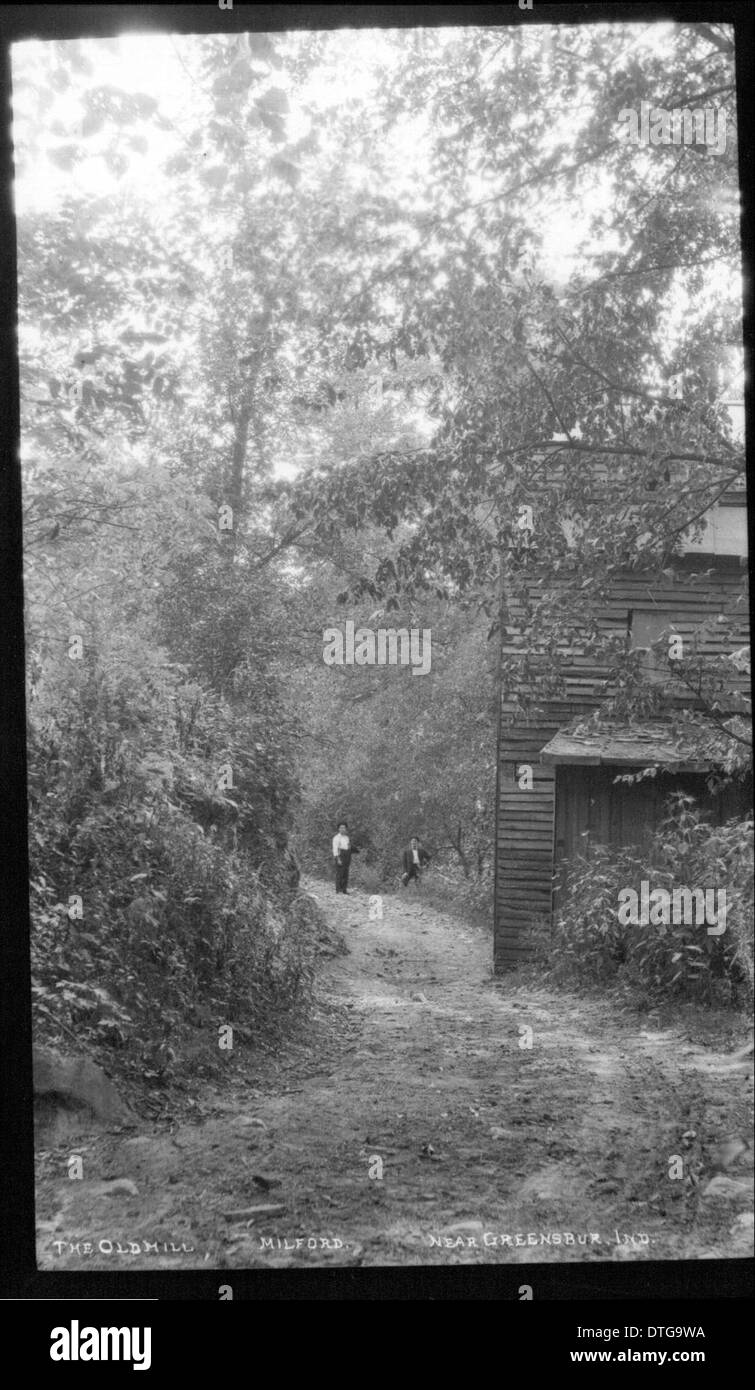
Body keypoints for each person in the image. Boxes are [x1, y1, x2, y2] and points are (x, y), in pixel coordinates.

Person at [332, 821, 353, 894]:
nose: (342, 829)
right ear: (338, 829)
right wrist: (338, 859)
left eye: (344, 827)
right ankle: (338, 890)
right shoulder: (336, 838)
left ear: (346, 828)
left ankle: (344, 889)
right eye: (341, 827)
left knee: (345, 873)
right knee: (339, 873)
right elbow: (335, 849)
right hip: (340, 855)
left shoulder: (347, 837)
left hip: (347, 855)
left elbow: (348, 846)